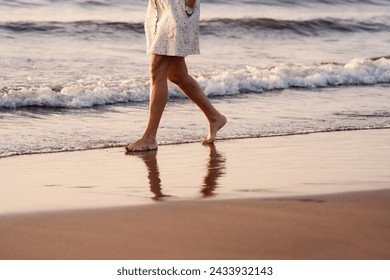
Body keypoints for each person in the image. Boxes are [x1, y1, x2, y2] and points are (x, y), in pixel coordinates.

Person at [126, 0, 227, 152]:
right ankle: (215, 117)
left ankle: (150, 137)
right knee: (177, 75)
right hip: (159, 9)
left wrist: (188, 5)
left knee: (157, 70)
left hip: (177, 9)